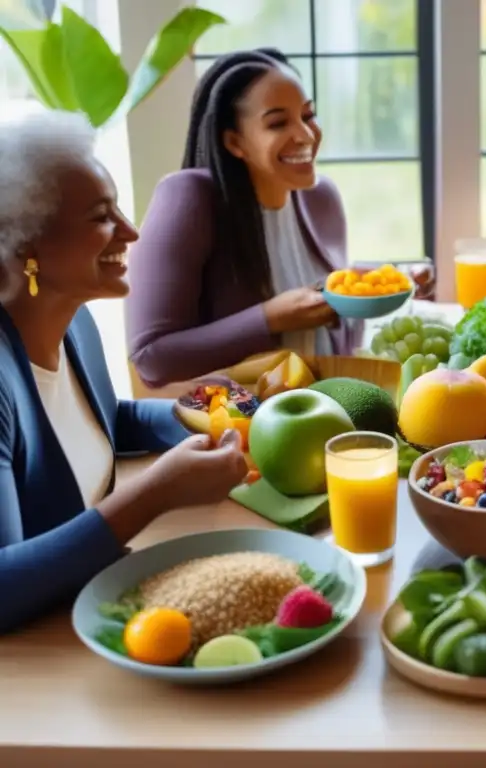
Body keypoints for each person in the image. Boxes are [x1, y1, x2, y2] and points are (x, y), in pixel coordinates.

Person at [0, 111, 248, 634]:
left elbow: (109, 419)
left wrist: (202, 415)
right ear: (25, 246)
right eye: (101, 216)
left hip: (89, 608)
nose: (131, 232)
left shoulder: (76, 324)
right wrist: (156, 493)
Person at [126, 48, 363, 388]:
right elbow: (152, 359)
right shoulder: (190, 197)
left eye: (308, 115)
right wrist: (270, 318)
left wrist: (368, 290)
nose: (306, 135)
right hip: (233, 429)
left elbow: (335, 332)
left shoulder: (322, 198)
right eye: (278, 122)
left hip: (330, 409)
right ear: (234, 141)